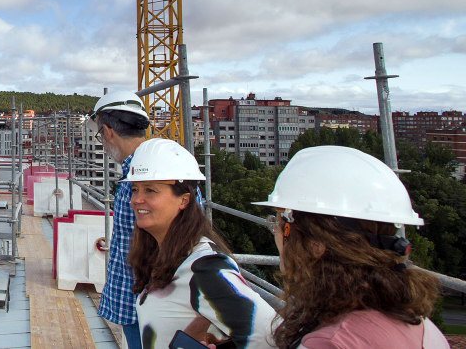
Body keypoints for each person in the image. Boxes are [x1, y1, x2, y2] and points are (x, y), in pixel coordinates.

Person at [253, 146, 449, 349]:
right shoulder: (423, 327)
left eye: (277, 224)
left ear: (314, 245)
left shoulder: (331, 343)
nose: (275, 233)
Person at [126, 138, 276, 349]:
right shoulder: (165, 256)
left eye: (150, 190)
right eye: (135, 189)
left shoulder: (205, 267)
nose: (136, 200)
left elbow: (270, 337)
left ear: (184, 200)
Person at [94, 90, 152, 349]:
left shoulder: (139, 178)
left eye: (100, 136)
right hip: (144, 303)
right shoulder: (158, 168)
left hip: (144, 306)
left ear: (108, 132)